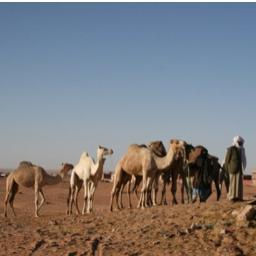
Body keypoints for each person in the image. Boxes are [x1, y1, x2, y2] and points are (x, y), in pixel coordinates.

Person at [224, 136, 247, 202]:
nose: (240, 143)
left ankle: (239, 197)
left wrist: (243, 168)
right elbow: (227, 160)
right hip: (232, 169)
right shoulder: (230, 149)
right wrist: (226, 170)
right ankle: (232, 198)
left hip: (239, 169)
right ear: (235, 141)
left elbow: (244, 159)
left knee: (239, 184)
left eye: (240, 142)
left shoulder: (242, 149)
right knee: (232, 184)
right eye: (239, 142)